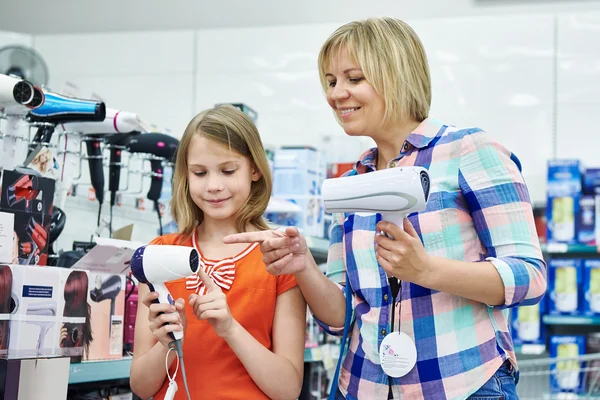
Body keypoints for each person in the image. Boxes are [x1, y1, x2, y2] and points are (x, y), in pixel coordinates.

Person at [224, 17, 547, 400]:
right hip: (362, 387)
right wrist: (304, 266)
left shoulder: (467, 151)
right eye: (330, 82)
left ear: (397, 75)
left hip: (463, 385)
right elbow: (340, 319)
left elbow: (529, 277)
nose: (336, 94)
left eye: (353, 79)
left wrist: (427, 270)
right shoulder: (351, 185)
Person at [129, 105, 306, 400]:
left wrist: (230, 329)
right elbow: (141, 386)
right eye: (200, 173)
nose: (213, 186)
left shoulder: (280, 257)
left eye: (227, 170)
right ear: (186, 176)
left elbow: (287, 389)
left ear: (255, 170)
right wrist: (167, 343)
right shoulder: (160, 254)